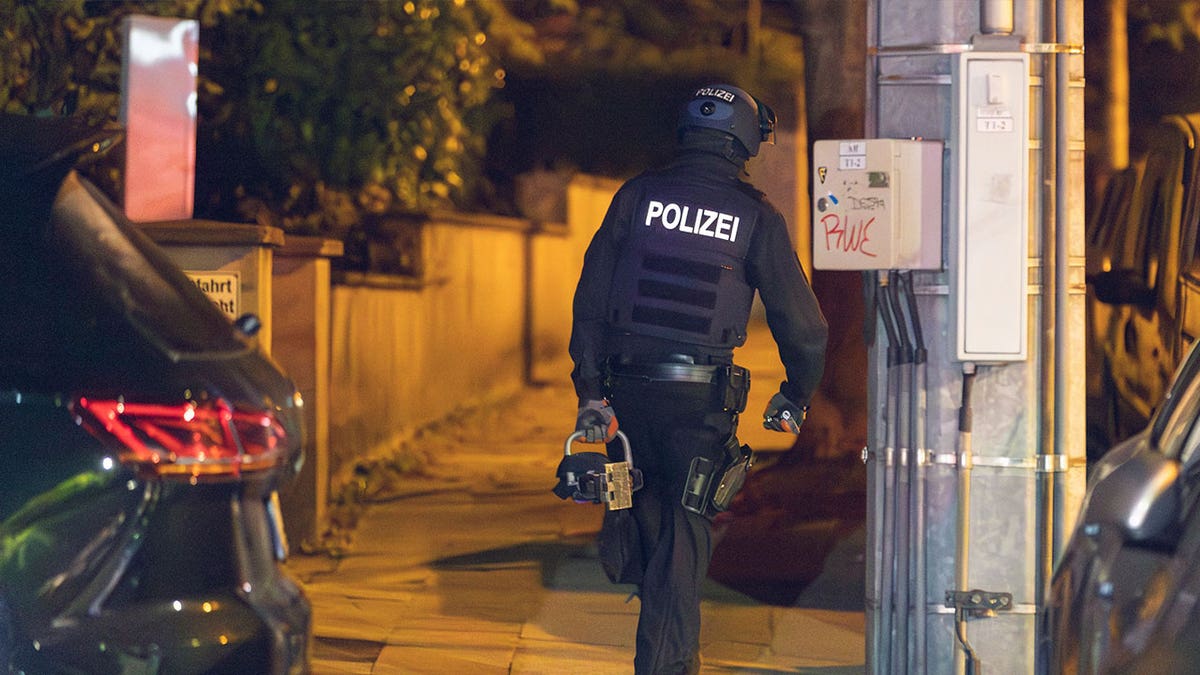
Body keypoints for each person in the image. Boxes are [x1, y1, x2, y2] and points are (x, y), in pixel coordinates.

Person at [567, 84, 829, 674]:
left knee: (646, 523)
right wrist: (795, 393)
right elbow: (805, 326)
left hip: (626, 400)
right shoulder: (754, 215)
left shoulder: (637, 197)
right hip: (699, 408)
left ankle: (657, 635)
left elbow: (590, 302)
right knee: (684, 540)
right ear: (743, 140)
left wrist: (589, 391)